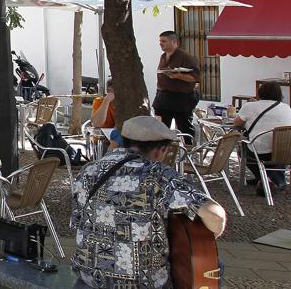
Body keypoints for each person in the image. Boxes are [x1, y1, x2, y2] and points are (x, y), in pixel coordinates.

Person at [72, 116, 227, 288]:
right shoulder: (159, 175)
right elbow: (215, 215)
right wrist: (204, 240)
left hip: (90, 280)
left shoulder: (89, 170)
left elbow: (78, 221)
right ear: (161, 150)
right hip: (144, 283)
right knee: (211, 264)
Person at [233, 81, 291, 196]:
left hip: (260, 153)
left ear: (260, 92)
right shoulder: (286, 108)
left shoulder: (250, 106)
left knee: (242, 148)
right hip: (286, 152)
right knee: (279, 146)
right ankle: (273, 180)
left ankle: (264, 179)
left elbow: (237, 123)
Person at [153, 30, 200, 143]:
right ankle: (163, 150)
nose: (161, 43)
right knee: (161, 129)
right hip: (162, 98)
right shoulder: (163, 56)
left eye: (164, 41)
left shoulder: (185, 57)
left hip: (180, 99)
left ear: (174, 42)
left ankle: (189, 150)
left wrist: (177, 76)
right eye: (160, 41)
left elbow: (195, 77)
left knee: (185, 128)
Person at [91, 79, 122, 152]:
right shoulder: (100, 101)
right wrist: (106, 101)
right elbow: (96, 123)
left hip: (120, 141)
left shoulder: (125, 103)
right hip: (103, 141)